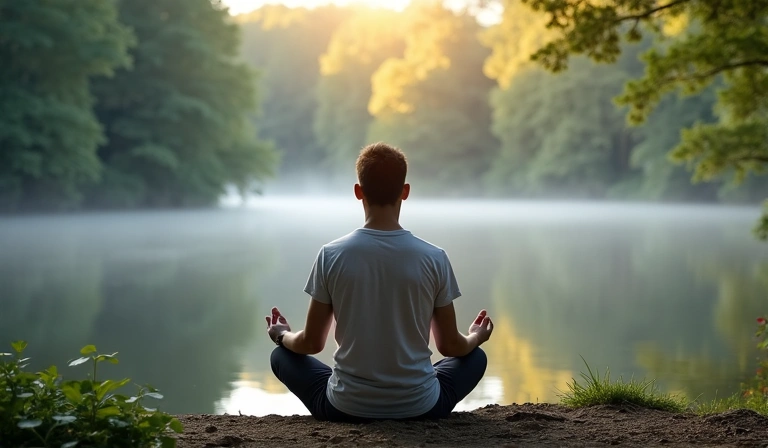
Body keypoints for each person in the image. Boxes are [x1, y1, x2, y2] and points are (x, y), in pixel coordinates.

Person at [265, 142, 494, 422]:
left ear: (358, 191)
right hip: (421, 407)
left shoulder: (331, 255)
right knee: (476, 357)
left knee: (281, 356)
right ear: (405, 191)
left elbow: (311, 343)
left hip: (345, 407)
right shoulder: (434, 257)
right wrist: (476, 336)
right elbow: (450, 347)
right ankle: (413, 389)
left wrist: (281, 335)